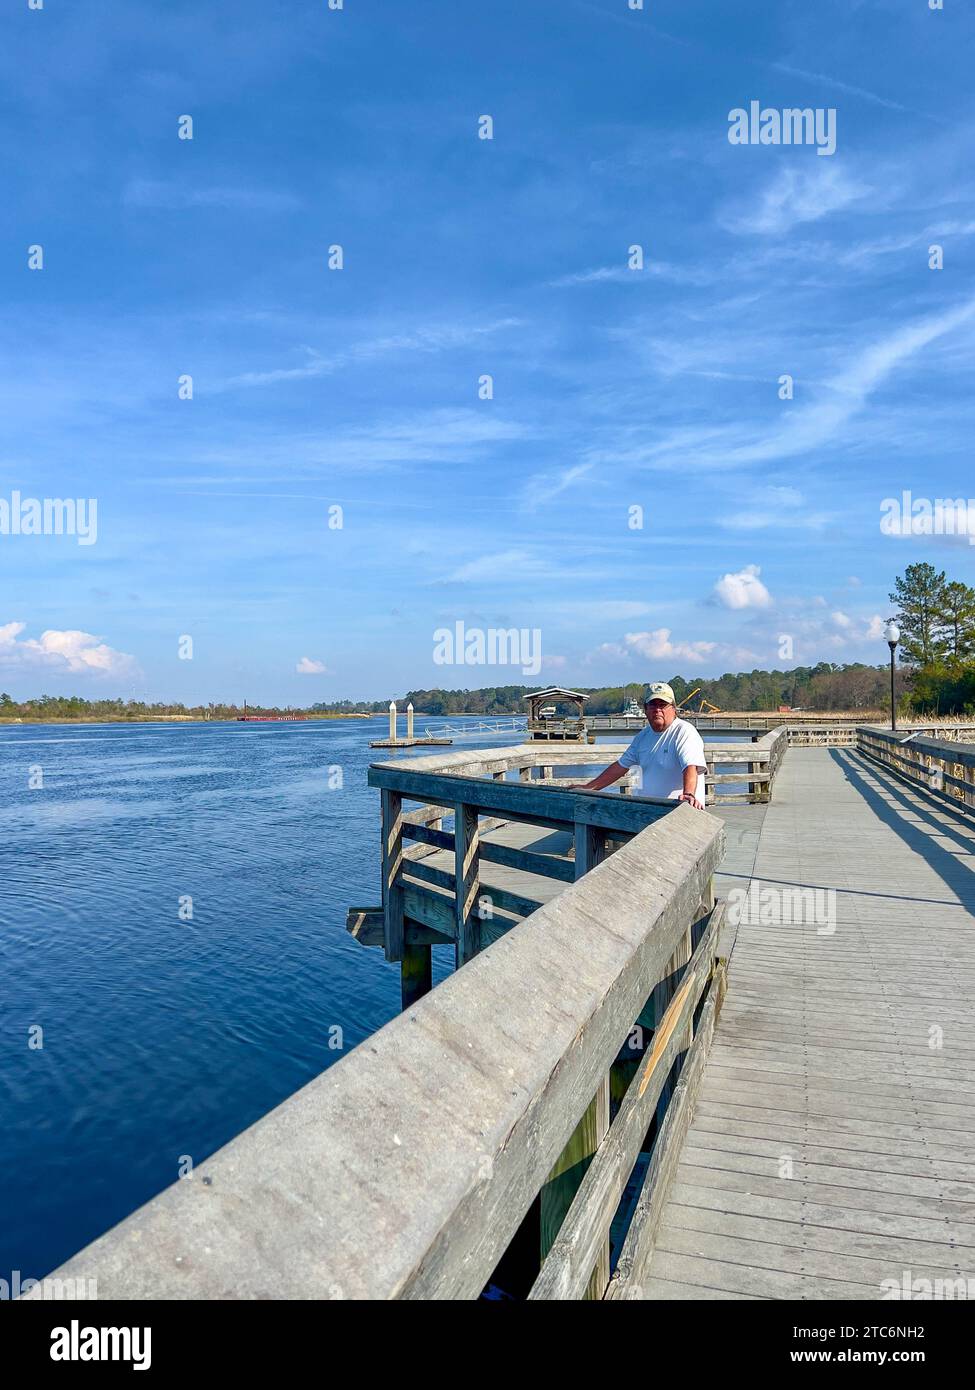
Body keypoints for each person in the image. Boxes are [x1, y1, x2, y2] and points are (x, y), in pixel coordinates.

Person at [571, 683, 707, 808]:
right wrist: (589, 788)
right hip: (648, 811)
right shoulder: (642, 736)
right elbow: (620, 766)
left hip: (678, 812)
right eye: (653, 705)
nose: (657, 709)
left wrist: (689, 794)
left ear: (673, 708)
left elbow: (690, 766)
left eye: (663, 705)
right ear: (645, 709)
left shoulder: (684, 731)